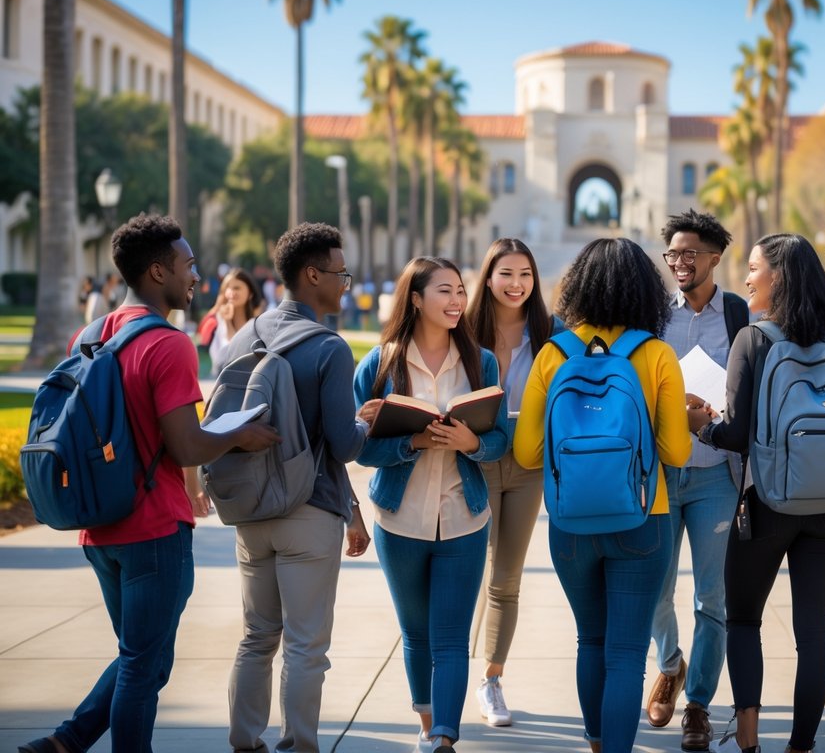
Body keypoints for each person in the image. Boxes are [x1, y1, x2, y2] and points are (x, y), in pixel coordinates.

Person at [19, 214, 280, 753]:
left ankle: (66, 742)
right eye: (188, 266)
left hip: (100, 525)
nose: (197, 277)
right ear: (158, 272)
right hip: (154, 528)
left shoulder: (91, 334)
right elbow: (186, 446)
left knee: (142, 654)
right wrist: (240, 436)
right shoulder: (169, 345)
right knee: (143, 665)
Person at [515, 237, 692, 753]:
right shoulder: (656, 354)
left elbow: (528, 454)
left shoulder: (553, 354)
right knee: (628, 652)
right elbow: (676, 452)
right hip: (643, 518)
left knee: (590, 640)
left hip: (571, 526)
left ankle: (594, 744)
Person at [688, 233, 825, 753]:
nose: (747, 277)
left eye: (755, 267)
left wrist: (702, 427)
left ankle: (749, 740)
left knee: (742, 618)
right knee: (815, 633)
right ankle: (801, 746)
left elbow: (736, 434)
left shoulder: (754, 340)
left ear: (777, 276)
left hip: (768, 500)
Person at [223, 223, 380, 753]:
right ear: (312, 275)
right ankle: (299, 746)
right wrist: (367, 421)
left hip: (251, 510)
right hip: (308, 514)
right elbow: (343, 446)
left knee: (256, 637)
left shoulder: (246, 336)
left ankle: (245, 742)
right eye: (340, 274)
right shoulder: (328, 347)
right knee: (306, 646)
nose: (345, 285)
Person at [354, 256, 508, 753]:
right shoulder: (378, 364)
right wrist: (412, 442)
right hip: (399, 520)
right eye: (444, 291)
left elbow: (500, 438)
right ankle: (427, 724)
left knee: (451, 636)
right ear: (415, 298)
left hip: (465, 517)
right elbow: (358, 447)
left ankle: (444, 736)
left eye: (460, 290)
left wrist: (469, 442)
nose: (457, 300)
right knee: (415, 633)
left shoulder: (481, 362)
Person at [646, 210, 748, 751]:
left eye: (691, 255)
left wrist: (716, 416)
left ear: (715, 258)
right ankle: (669, 662)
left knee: (713, 598)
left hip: (715, 478)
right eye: (673, 255)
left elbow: (751, 391)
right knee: (655, 589)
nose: (680, 264)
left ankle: (700, 706)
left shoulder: (740, 315)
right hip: (663, 473)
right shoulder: (654, 316)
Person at [466, 238, 557, 727]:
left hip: (527, 467)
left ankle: (491, 680)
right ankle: (444, 674)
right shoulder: (462, 330)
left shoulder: (550, 332)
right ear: (489, 277)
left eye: (525, 274)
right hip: (472, 463)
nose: (517, 283)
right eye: (506, 273)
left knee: (505, 578)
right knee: (468, 572)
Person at [201, 267, 262, 369]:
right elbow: (228, 354)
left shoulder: (258, 324)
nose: (231, 292)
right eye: (228, 288)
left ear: (250, 293)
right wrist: (227, 322)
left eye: (237, 288)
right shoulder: (217, 320)